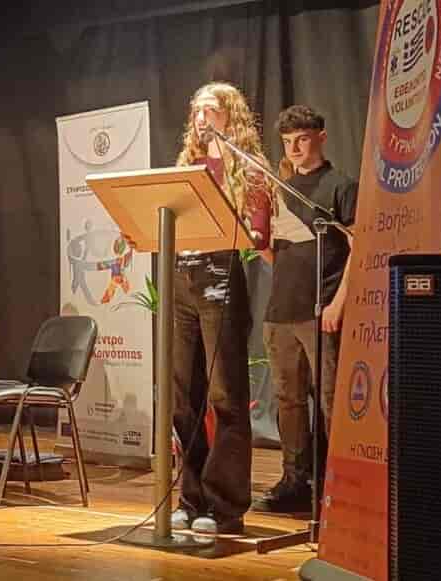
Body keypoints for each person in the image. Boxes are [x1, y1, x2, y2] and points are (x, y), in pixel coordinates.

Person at [169, 82, 274, 535]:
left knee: (226, 396)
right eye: (195, 111)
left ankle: (224, 506)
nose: (200, 119)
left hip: (221, 278)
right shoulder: (188, 167)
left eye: (209, 110)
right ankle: (190, 498)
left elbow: (260, 233)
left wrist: (229, 165)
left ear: (230, 115)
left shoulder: (248, 167)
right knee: (182, 397)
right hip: (182, 278)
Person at [253, 105, 358, 513]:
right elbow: (272, 249)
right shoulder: (280, 189)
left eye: (302, 139)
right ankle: (294, 482)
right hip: (281, 311)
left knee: (330, 401)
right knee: (288, 400)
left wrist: (338, 303)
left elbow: (359, 247)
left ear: (321, 137)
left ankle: (336, 486)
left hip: (322, 310)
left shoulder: (340, 186)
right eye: (287, 142)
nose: (295, 148)